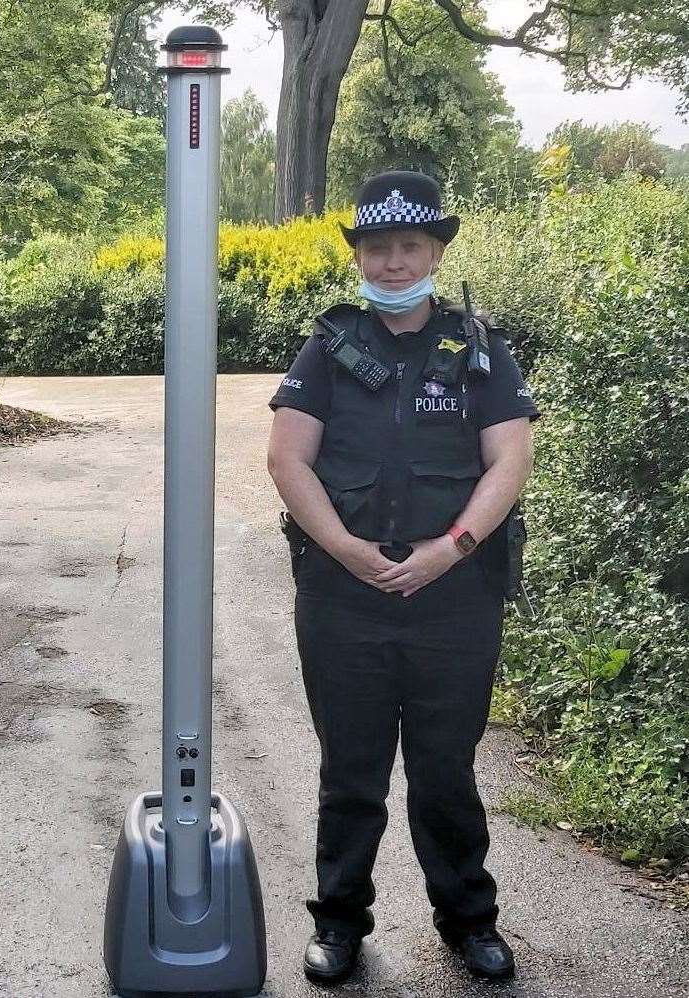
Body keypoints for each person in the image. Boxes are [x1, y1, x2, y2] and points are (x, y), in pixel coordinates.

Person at [266, 171, 539, 985]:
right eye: (377, 248)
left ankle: (468, 920)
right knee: (349, 770)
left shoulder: (480, 350)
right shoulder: (327, 347)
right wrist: (348, 551)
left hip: (454, 593)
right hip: (342, 594)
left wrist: (449, 548)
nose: (391, 264)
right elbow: (287, 458)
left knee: (445, 768)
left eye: (408, 247)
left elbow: (509, 460)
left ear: (436, 250)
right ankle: (339, 924)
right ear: (359, 255)